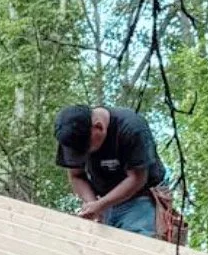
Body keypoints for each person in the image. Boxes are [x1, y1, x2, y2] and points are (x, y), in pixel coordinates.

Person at [54, 101, 169, 237]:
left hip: (141, 196)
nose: (86, 155)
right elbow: (76, 175)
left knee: (136, 245)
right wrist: (92, 204)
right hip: (104, 201)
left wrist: (101, 205)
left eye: (87, 149)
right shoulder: (70, 135)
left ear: (99, 127)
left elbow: (137, 178)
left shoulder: (132, 128)